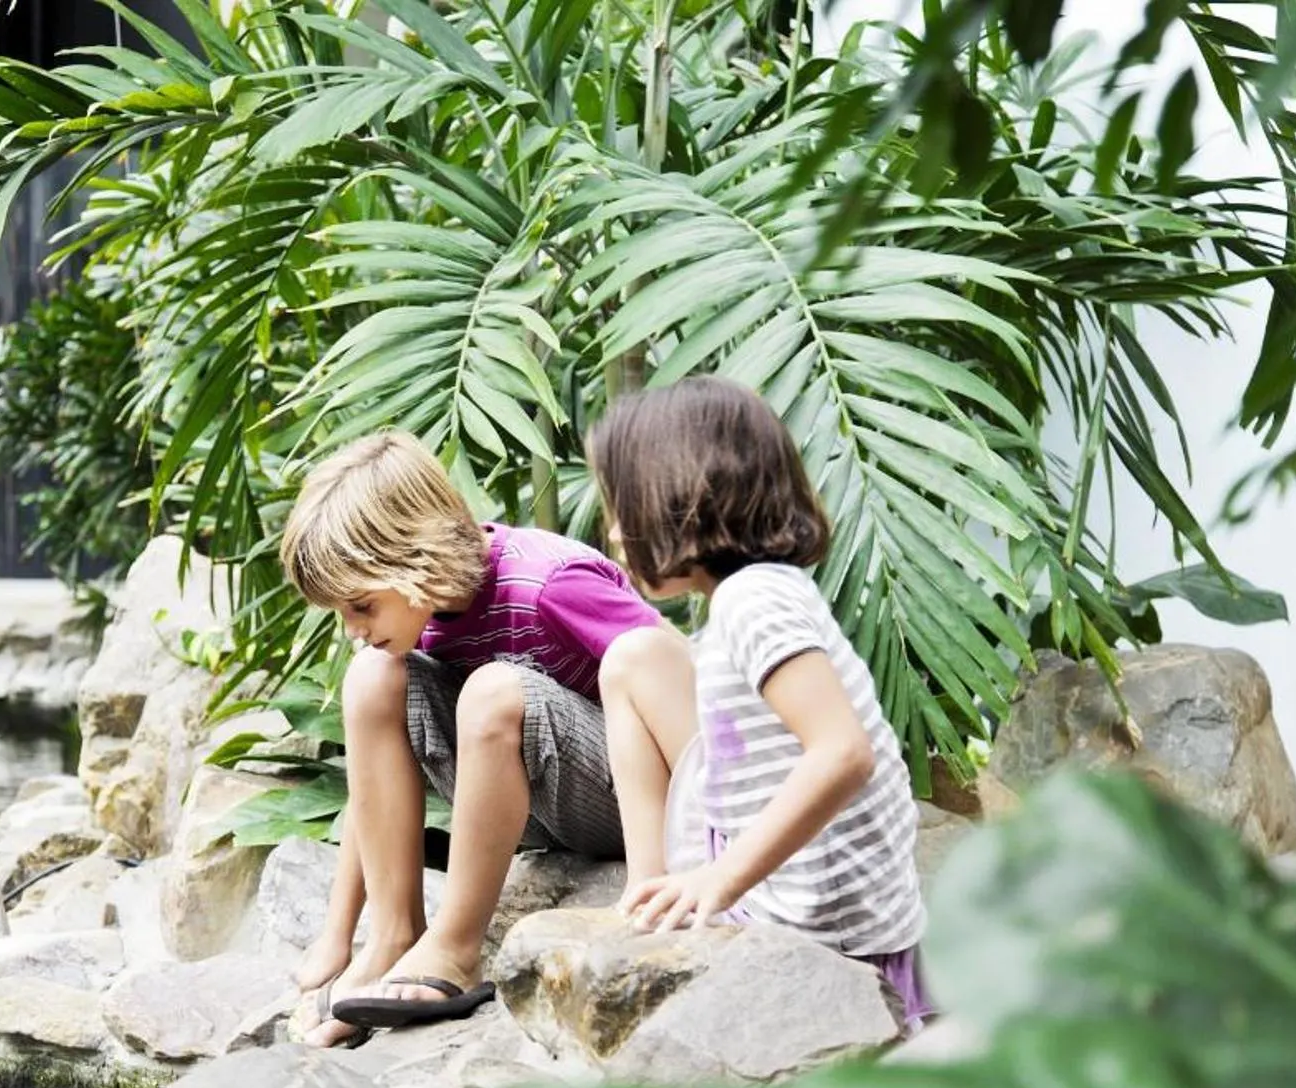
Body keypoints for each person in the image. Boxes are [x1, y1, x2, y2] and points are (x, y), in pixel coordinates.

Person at [281, 432, 696, 1043]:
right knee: (370, 679)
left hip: (624, 799)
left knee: (494, 690)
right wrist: (340, 934)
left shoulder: (551, 585)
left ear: (412, 559)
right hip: (519, 802)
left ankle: (455, 948)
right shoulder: (417, 617)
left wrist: (708, 852)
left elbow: (669, 677)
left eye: (362, 606)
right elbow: (370, 794)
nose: (353, 628)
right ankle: (397, 935)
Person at [587, 376, 931, 1028]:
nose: (611, 530)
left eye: (621, 505)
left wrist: (719, 882)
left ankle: (680, 898)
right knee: (626, 663)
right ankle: (650, 891)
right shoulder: (745, 599)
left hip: (825, 931)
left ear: (680, 497)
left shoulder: (754, 601)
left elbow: (841, 753)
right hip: (794, 893)